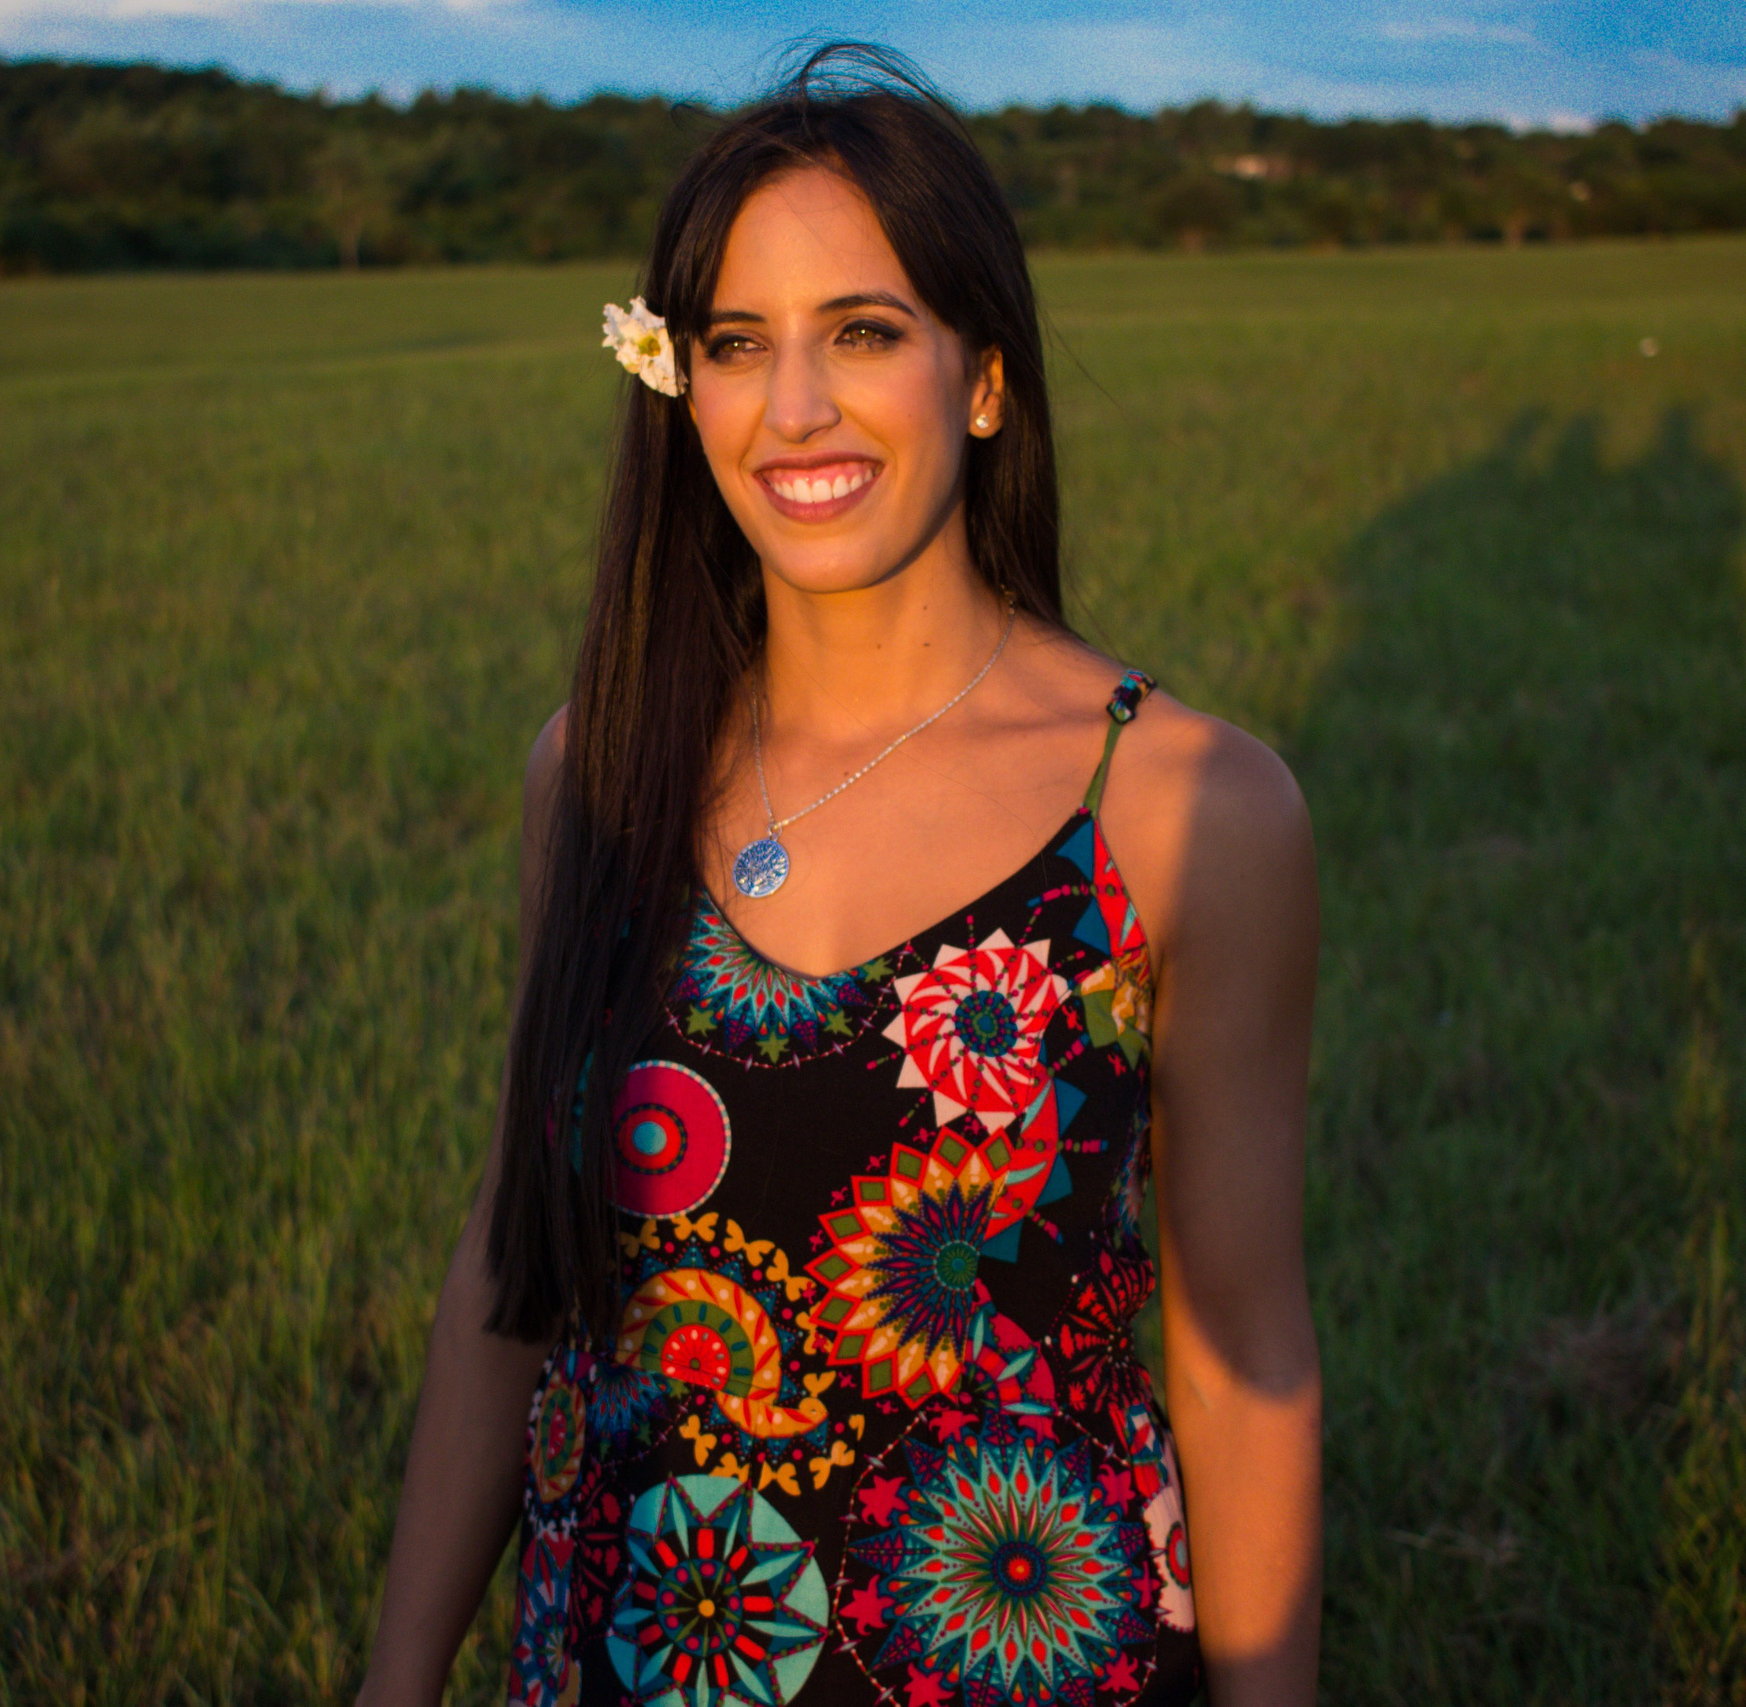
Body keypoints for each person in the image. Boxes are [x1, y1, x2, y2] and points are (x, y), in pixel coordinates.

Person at [357, 46, 1320, 1707]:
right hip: (633, 1656)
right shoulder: (599, 771)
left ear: (985, 378)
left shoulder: (1182, 811)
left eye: (862, 332)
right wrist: (395, 1681)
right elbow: (519, 1260)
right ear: (682, 386)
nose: (794, 408)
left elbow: (1245, 1361)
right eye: (738, 345)